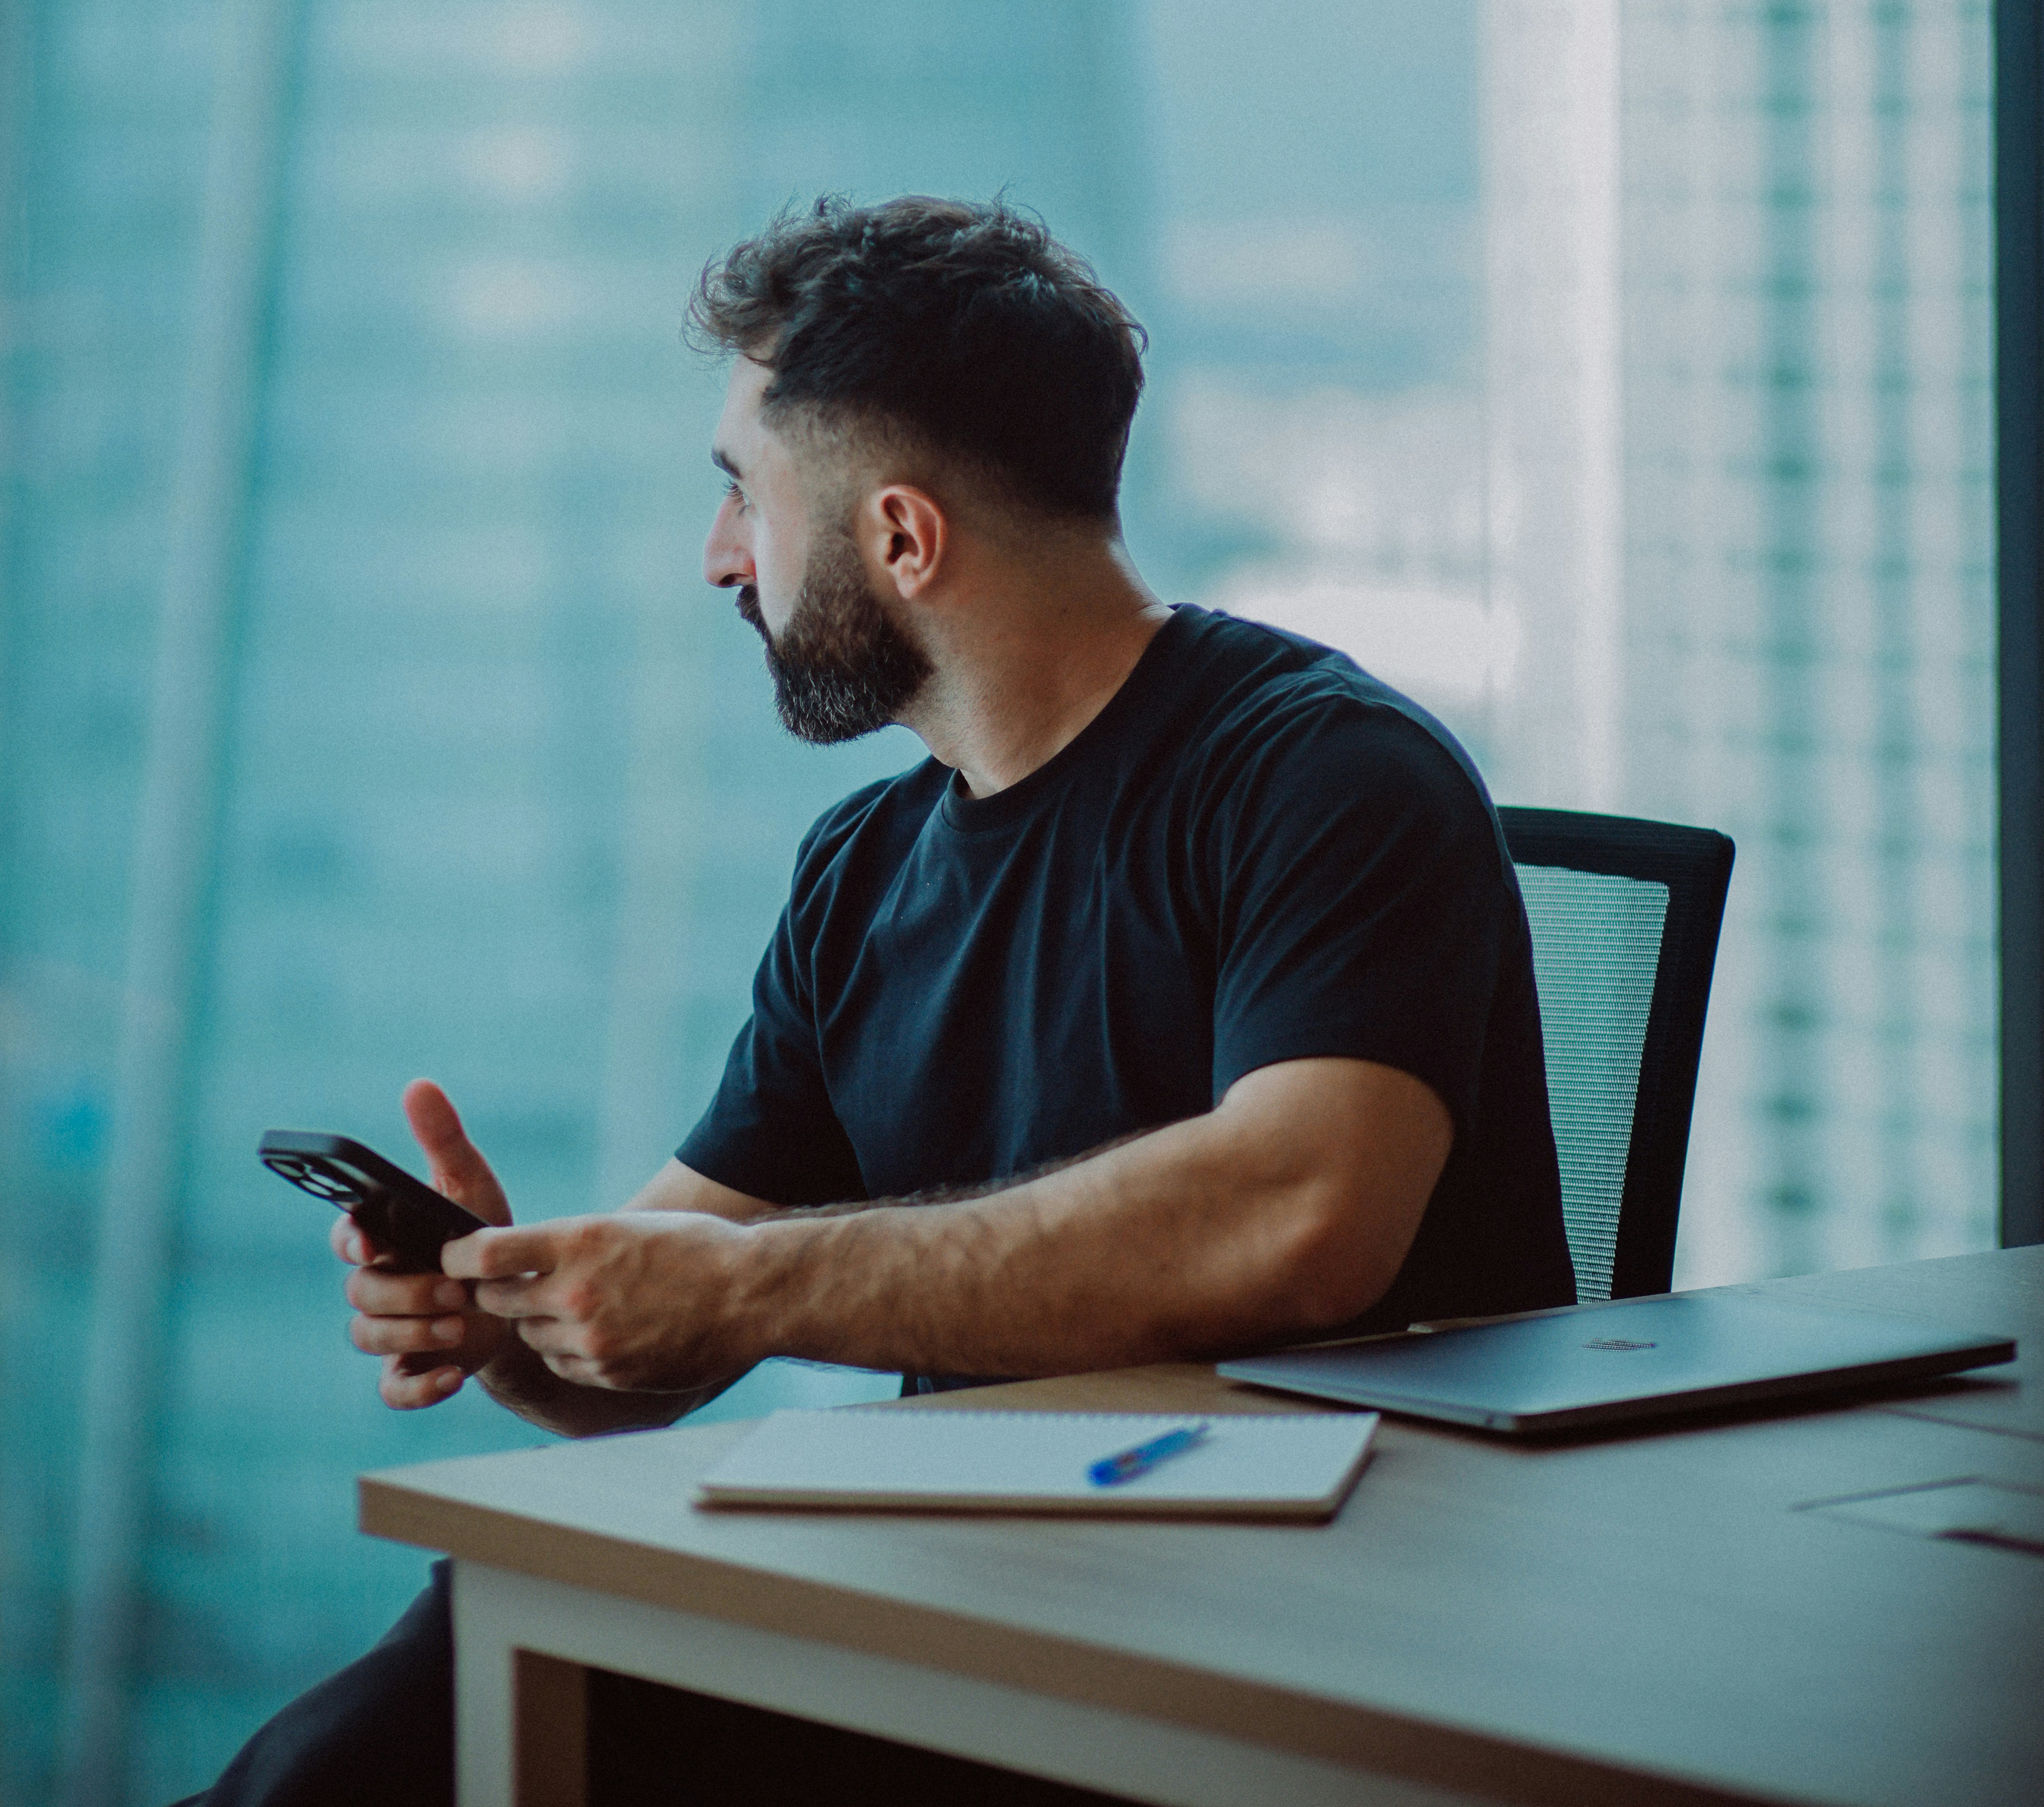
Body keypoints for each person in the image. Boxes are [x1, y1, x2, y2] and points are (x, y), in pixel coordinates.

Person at [189, 195, 1571, 1803]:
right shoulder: (863, 867)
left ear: (901, 539)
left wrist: (746, 1289)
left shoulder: (1326, 774)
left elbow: (1299, 1213)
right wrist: (511, 1309)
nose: (720, 558)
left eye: (742, 498)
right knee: (384, 1726)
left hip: (1293, 1643)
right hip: (976, 1590)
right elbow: (662, 1342)